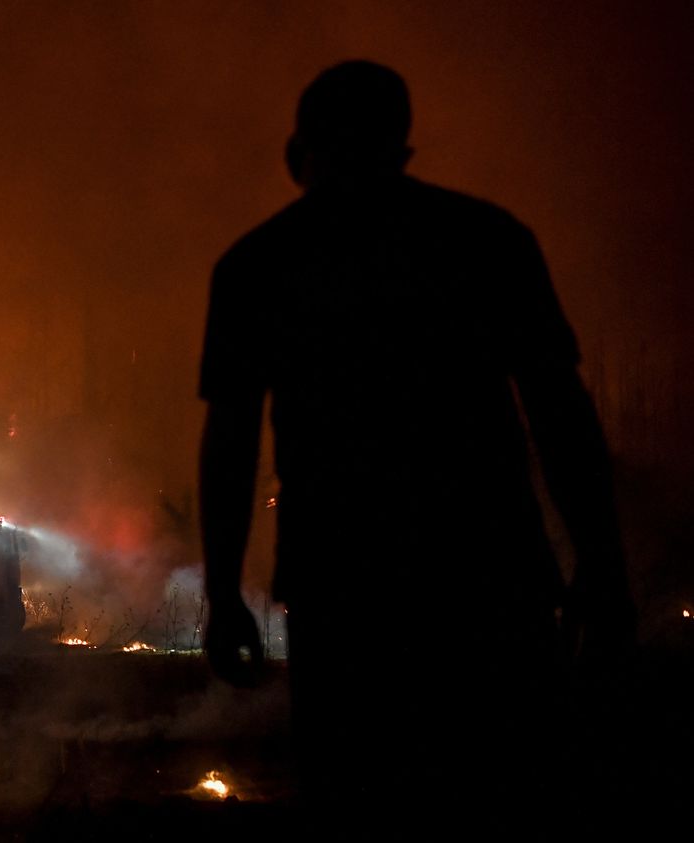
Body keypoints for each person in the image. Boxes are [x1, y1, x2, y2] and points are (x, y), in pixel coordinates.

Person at [197, 60, 635, 829]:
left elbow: (229, 444)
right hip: (490, 577)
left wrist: (225, 594)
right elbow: (562, 416)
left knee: (358, 795)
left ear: (301, 150)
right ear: (401, 143)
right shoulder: (490, 240)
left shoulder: (259, 265)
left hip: (344, 594)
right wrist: (601, 564)